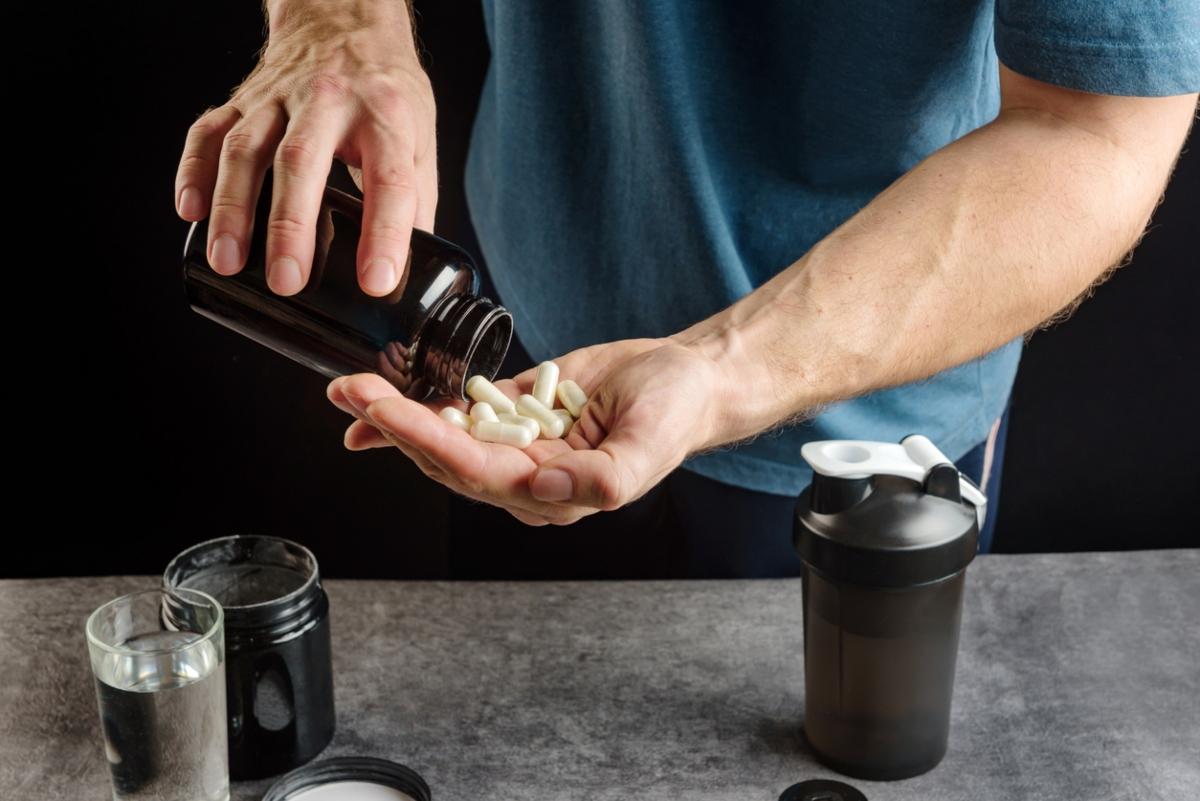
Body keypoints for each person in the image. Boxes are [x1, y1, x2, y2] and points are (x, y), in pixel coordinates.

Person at [175, 1, 1198, 577]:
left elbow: (1095, 126)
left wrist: (716, 368)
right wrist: (337, 17)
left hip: (855, 431)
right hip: (522, 371)